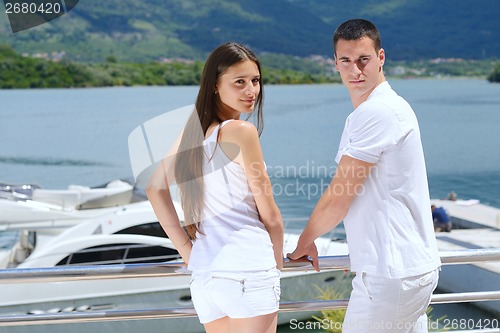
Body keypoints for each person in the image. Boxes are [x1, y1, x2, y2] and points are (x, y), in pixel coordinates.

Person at [287, 19, 441, 332]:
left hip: (390, 274)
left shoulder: (377, 112)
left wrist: (303, 242)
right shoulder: (389, 106)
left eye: (363, 59)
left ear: (381, 57)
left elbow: (339, 195)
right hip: (408, 270)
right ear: (336, 64)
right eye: (346, 61)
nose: (355, 70)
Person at [146, 42, 284, 333]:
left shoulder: (192, 133)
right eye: (239, 82)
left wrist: (188, 251)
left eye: (255, 81)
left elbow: (155, 188)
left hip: (206, 277)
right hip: (247, 270)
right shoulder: (242, 132)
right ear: (214, 86)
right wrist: (276, 267)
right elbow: (271, 215)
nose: (251, 91)